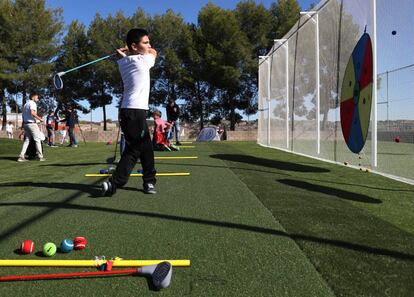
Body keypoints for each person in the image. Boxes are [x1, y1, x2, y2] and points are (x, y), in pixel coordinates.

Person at [101, 28, 158, 196]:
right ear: (134, 46)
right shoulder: (143, 61)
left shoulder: (123, 62)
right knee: (135, 149)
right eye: (145, 42)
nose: (149, 46)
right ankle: (114, 183)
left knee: (146, 147)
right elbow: (154, 52)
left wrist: (125, 53)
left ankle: (149, 181)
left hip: (127, 112)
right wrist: (129, 51)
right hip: (135, 112)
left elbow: (132, 57)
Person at [17, 93, 46, 162]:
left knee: (27, 140)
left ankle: (21, 156)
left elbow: (23, 115)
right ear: (33, 97)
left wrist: (22, 125)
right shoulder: (32, 103)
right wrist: (40, 119)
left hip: (26, 124)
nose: (38, 99)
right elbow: (32, 113)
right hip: (32, 124)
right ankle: (40, 157)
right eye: (37, 97)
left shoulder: (25, 104)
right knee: (37, 140)